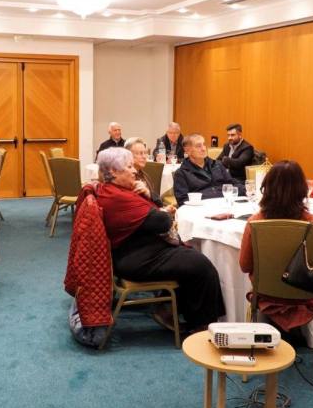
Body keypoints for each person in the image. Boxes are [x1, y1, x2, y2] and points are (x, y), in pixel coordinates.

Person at [95, 147, 225, 330]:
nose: (134, 171)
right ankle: (202, 326)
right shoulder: (117, 197)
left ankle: (166, 309)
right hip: (135, 258)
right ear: (113, 171)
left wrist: (149, 196)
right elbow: (162, 222)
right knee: (201, 265)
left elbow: (154, 213)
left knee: (190, 256)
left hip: (136, 250)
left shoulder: (115, 191)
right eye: (129, 167)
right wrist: (158, 206)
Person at [239, 161, 313, 331]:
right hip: (305, 294)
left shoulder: (255, 222)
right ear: (302, 189)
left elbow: (245, 266)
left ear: (267, 188)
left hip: (266, 293)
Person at [172, 133, 239, 206]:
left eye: (204, 144)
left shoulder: (217, 165)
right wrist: (215, 195)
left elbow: (233, 184)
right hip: (201, 208)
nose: (204, 149)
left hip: (225, 205)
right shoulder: (181, 173)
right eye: (198, 146)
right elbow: (183, 201)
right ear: (187, 150)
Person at [125, 137, 164, 206]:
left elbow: (157, 200)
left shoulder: (144, 174)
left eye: (145, 153)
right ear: (128, 155)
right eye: (140, 153)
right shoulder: (127, 179)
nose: (144, 157)